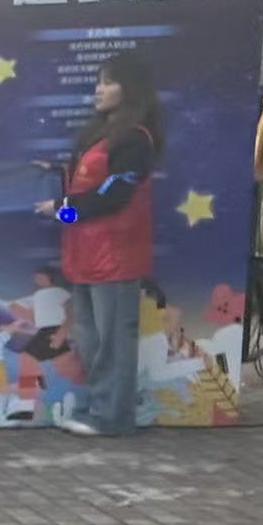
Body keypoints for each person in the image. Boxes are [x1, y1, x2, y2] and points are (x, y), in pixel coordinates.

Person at [58, 51, 163, 438]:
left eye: (108, 82)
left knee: (113, 341)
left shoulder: (135, 140)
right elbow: (81, 189)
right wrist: (55, 189)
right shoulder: (99, 135)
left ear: (130, 89)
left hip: (116, 258)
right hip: (84, 255)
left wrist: (64, 210)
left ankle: (113, 417)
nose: (98, 90)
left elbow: (114, 196)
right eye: (98, 82)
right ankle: (95, 407)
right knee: (89, 338)